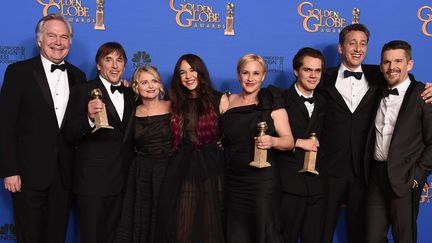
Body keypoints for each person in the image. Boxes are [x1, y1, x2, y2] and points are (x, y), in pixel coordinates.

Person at [0, 13, 86, 243]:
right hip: (27, 174)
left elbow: (78, 125)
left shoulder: (79, 77)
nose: (58, 42)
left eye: (64, 37)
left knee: (56, 236)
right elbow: (6, 123)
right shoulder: (18, 72)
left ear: (70, 42)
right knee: (28, 237)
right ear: (39, 40)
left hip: (65, 175)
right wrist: (9, 169)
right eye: (52, 36)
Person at [65, 42, 135, 243]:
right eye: (108, 60)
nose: (114, 66)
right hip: (93, 183)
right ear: (98, 65)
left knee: (117, 237)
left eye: (119, 60)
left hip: (124, 182)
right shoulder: (83, 90)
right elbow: (69, 134)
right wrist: (88, 117)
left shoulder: (131, 94)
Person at [220, 54, 294, 243]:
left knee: (263, 231)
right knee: (236, 233)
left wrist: (273, 141)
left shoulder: (273, 104)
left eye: (256, 73)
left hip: (262, 183)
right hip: (233, 180)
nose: (250, 78)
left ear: (263, 76)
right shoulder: (227, 101)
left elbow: (289, 141)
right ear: (238, 75)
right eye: (245, 73)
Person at [364, 40, 432, 243]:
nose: (392, 67)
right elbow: (348, 69)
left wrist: (417, 176)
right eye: (386, 62)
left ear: (409, 64)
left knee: (404, 238)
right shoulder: (375, 89)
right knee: (372, 237)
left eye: (398, 61)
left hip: (405, 178)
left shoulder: (424, 95)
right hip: (376, 177)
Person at [155, 54, 228, 243]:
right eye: (182, 72)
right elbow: (147, 107)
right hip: (183, 168)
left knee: (211, 225)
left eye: (192, 70)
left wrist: (224, 140)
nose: (188, 76)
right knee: (182, 225)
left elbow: (234, 129)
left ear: (200, 71)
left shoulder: (220, 99)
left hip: (213, 169)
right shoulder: (174, 102)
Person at [115, 65, 173, 243]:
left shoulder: (173, 107)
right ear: (136, 87)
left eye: (154, 81)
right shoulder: (132, 112)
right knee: (143, 217)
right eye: (144, 82)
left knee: (167, 218)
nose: (150, 86)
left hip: (169, 170)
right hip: (142, 172)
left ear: (161, 85)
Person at [278, 47, 326, 243]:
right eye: (307, 70)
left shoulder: (326, 100)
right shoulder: (279, 98)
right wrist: (298, 143)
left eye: (317, 71)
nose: (313, 75)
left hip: (317, 187)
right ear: (296, 71)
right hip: (288, 185)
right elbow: (269, 134)